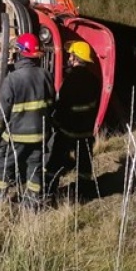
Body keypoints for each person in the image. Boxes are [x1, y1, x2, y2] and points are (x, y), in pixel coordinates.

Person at [0, 32, 56, 210]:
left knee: (4, 166)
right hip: (39, 135)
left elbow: (2, 111)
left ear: (19, 52)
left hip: (16, 135)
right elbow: (51, 105)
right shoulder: (46, 76)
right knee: (35, 168)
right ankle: (32, 204)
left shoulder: (13, 79)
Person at [47, 40, 101, 199]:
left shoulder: (71, 80)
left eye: (71, 55)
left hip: (68, 130)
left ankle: (50, 190)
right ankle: (84, 192)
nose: (69, 58)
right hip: (85, 130)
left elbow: (63, 105)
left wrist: (55, 123)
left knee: (56, 161)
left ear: (76, 57)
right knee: (84, 162)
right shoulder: (94, 79)